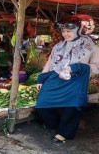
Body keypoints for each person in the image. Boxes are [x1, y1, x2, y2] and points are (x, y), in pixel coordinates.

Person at [36, 14, 99, 143]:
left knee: (71, 107)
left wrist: (77, 67)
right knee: (42, 104)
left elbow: (97, 67)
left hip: (76, 81)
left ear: (80, 30)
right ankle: (53, 122)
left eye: (69, 31)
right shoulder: (58, 46)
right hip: (55, 78)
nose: (65, 34)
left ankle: (64, 133)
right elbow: (50, 63)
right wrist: (41, 78)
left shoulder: (92, 48)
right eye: (63, 31)